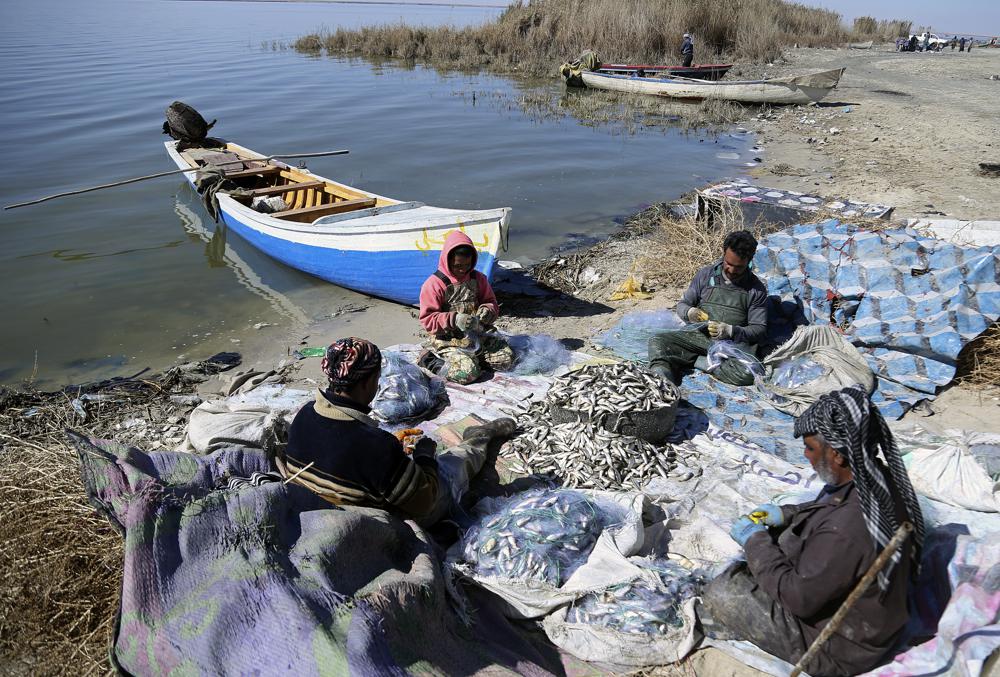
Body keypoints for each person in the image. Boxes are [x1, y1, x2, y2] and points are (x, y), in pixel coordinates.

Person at [700, 386, 925, 676]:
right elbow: (831, 505)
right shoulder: (873, 476)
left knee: (724, 591)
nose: (806, 456)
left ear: (838, 454)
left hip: (841, 647)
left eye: (810, 448)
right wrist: (789, 513)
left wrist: (755, 540)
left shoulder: (845, 530)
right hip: (867, 616)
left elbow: (799, 599)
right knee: (784, 535)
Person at [277, 337, 516, 526]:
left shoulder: (305, 413)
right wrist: (424, 457)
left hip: (313, 506)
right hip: (364, 522)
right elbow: (425, 501)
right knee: (450, 467)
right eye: (377, 377)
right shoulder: (374, 445)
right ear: (366, 383)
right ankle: (480, 438)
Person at [648, 230, 767, 386]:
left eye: (738, 267)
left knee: (748, 373)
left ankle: (697, 360)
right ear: (724, 253)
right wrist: (689, 312)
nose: (731, 270)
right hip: (698, 337)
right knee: (657, 342)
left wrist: (731, 331)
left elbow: (759, 329)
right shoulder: (705, 275)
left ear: (749, 261)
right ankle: (663, 382)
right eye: (728, 263)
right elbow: (683, 305)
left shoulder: (756, 290)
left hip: (731, 346)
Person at [418, 230, 514, 384]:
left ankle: (474, 358)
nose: (463, 270)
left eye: (467, 265)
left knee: (506, 360)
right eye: (458, 266)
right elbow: (428, 321)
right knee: (467, 373)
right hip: (448, 339)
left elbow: (491, 303)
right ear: (447, 260)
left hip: (477, 334)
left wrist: (488, 310)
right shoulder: (434, 284)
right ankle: (429, 360)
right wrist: (455, 319)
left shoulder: (479, 279)